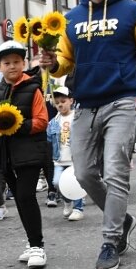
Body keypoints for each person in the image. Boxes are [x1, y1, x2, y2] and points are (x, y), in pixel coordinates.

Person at [39, 0, 136, 269]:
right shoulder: (72, 17)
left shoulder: (133, 11)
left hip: (122, 102)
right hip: (85, 104)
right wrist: (53, 64)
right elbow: (66, 64)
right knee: (83, 173)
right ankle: (122, 219)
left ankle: (111, 241)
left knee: (115, 172)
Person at [0, 41, 48, 269]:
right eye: (7, 63)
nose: (12, 66)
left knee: (25, 196)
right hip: (6, 155)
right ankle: (32, 242)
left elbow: (41, 121)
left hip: (30, 152)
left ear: (23, 63)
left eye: (16, 62)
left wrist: (15, 124)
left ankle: (37, 245)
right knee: (20, 199)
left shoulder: (33, 89)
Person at [48, 89, 85, 221]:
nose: (60, 105)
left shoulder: (78, 117)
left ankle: (78, 208)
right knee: (57, 182)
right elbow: (49, 139)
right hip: (59, 160)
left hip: (75, 159)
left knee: (77, 182)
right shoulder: (53, 122)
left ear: (71, 100)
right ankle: (68, 201)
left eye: (63, 101)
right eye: (57, 103)